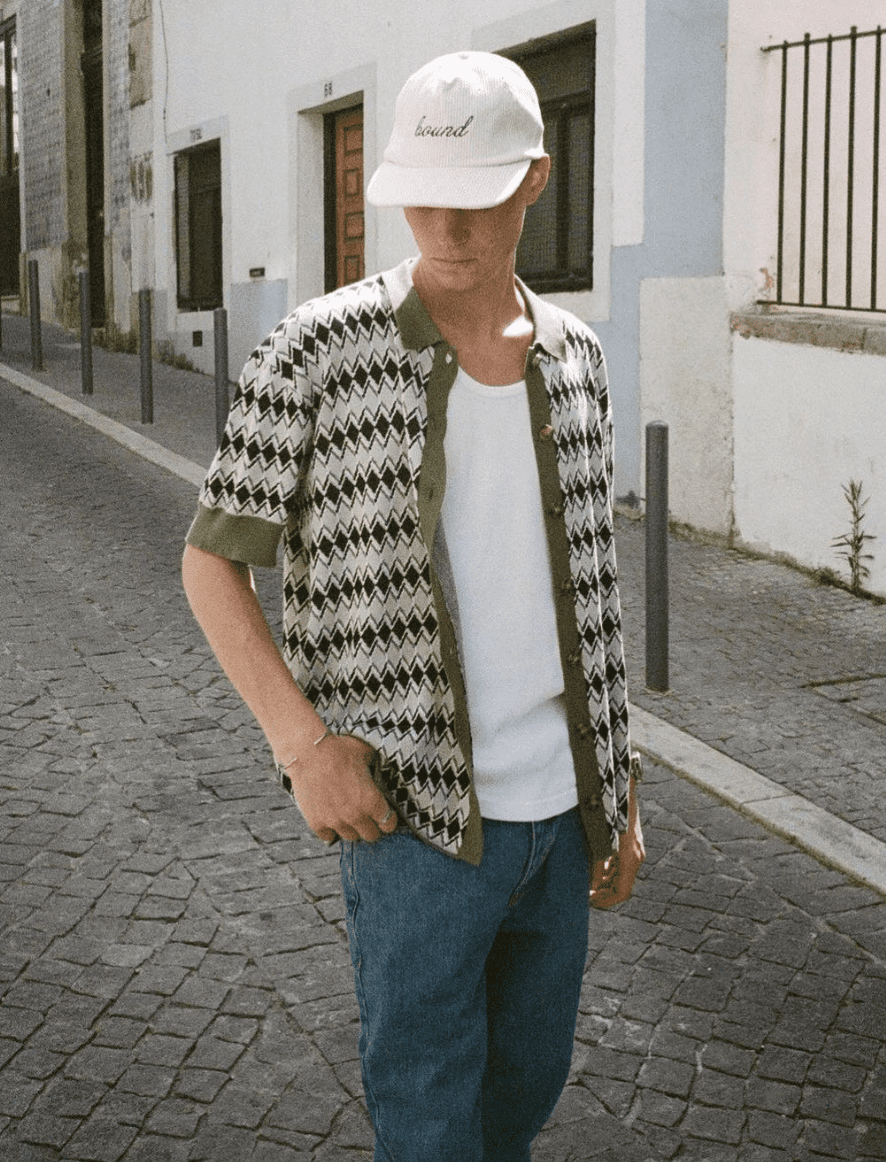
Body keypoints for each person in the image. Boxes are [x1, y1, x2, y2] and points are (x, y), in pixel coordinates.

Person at [182, 49, 644, 1162]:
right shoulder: (314, 351)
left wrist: (620, 781)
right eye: (420, 195)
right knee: (429, 1116)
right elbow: (210, 562)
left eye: (477, 194)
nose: (444, 225)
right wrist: (304, 747)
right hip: (414, 820)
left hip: (559, 815)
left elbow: (589, 586)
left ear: (534, 180)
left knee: (523, 1095)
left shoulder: (576, 358)